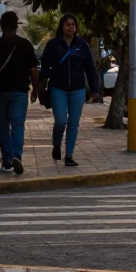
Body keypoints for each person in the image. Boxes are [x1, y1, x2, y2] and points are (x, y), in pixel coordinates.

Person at [0, 11, 39, 175]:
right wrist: (36, 90)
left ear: (2, 26)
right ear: (16, 25)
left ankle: (6, 161)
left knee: (3, 126)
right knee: (18, 125)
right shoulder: (25, 44)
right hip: (19, 92)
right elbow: (33, 70)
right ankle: (16, 156)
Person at [40, 13, 103, 167]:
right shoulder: (53, 45)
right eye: (67, 24)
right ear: (62, 26)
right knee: (61, 122)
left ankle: (69, 155)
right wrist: (40, 87)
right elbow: (45, 67)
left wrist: (95, 89)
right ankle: (56, 144)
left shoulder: (82, 46)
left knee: (73, 124)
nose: (70, 27)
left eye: (73, 24)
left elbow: (90, 68)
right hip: (58, 89)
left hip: (78, 90)